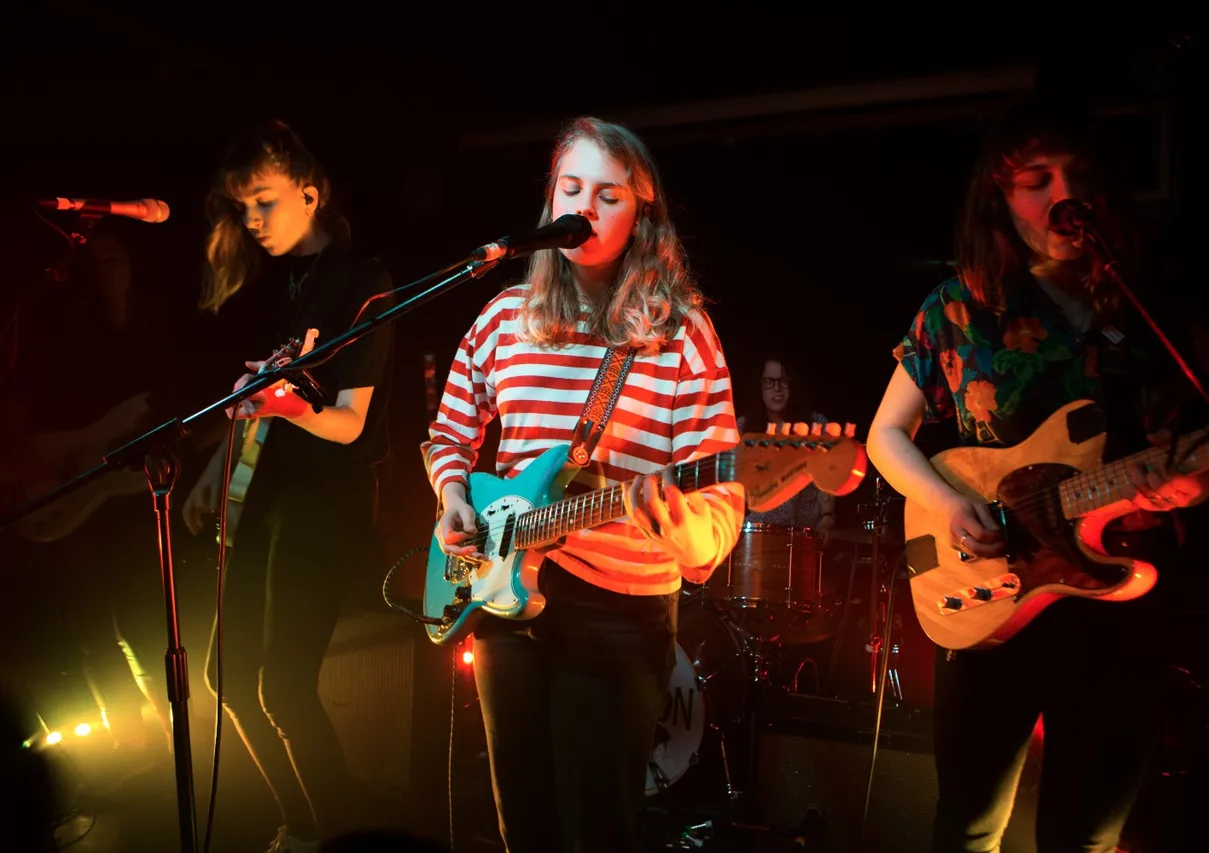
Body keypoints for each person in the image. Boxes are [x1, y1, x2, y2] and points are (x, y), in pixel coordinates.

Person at [864, 95, 1209, 853]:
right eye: (1036, 178)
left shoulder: (1153, 304)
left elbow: (1193, 450)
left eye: (1078, 174)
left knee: (1087, 839)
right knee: (967, 828)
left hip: (1121, 604)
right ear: (1000, 196)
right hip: (993, 591)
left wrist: (1193, 484)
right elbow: (884, 435)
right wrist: (946, 499)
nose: (1064, 194)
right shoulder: (959, 306)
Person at [425, 116, 744, 853]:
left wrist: (676, 523)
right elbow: (448, 432)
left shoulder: (679, 333)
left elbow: (722, 500)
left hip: (618, 615)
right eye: (572, 189)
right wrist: (452, 499)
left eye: (608, 194)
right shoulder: (506, 317)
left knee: (597, 831)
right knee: (525, 828)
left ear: (644, 211)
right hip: (504, 601)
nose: (585, 209)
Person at [180, 119, 395, 852]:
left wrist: (291, 404)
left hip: (324, 506)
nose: (252, 221)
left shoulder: (363, 282)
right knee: (225, 677)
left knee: (283, 686)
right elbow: (253, 397)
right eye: (243, 207)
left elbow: (349, 424)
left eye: (264, 202)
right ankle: (304, 825)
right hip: (267, 500)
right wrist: (215, 471)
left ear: (310, 193)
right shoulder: (287, 288)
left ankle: (331, 835)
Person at [0, 219, 197, 780]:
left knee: (144, 625)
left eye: (119, 254)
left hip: (130, 502)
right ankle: (134, 749)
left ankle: (168, 746)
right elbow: (19, 424)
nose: (111, 263)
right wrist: (82, 441)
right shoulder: (58, 338)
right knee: (93, 631)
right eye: (100, 256)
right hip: (70, 498)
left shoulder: (156, 334)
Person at [735, 354, 836, 543]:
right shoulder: (742, 428)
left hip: (802, 536)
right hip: (753, 537)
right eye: (769, 381)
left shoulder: (816, 426)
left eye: (783, 381)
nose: (777, 388)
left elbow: (827, 479)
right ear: (759, 385)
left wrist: (827, 519)